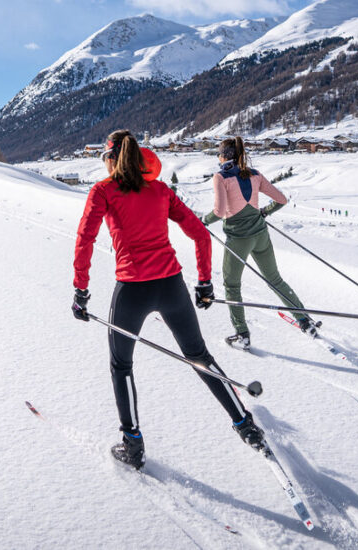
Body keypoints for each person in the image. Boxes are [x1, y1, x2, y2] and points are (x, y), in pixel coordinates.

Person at [72, 129, 265, 469]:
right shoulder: (161, 190)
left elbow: (85, 239)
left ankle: (133, 445)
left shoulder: (103, 191)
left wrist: (81, 291)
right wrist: (204, 283)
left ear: (112, 159)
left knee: (121, 366)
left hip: (132, 290)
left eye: (104, 158)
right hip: (171, 286)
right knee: (199, 357)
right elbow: (200, 234)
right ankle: (245, 425)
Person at [202, 137, 315, 350]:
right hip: (261, 235)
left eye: (219, 153)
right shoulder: (254, 174)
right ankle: (304, 320)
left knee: (232, 286)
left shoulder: (221, 177)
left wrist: (202, 221)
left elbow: (219, 211)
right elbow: (282, 199)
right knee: (275, 279)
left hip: (238, 240)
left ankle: (242, 333)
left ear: (225, 156)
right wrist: (264, 212)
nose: (218, 157)